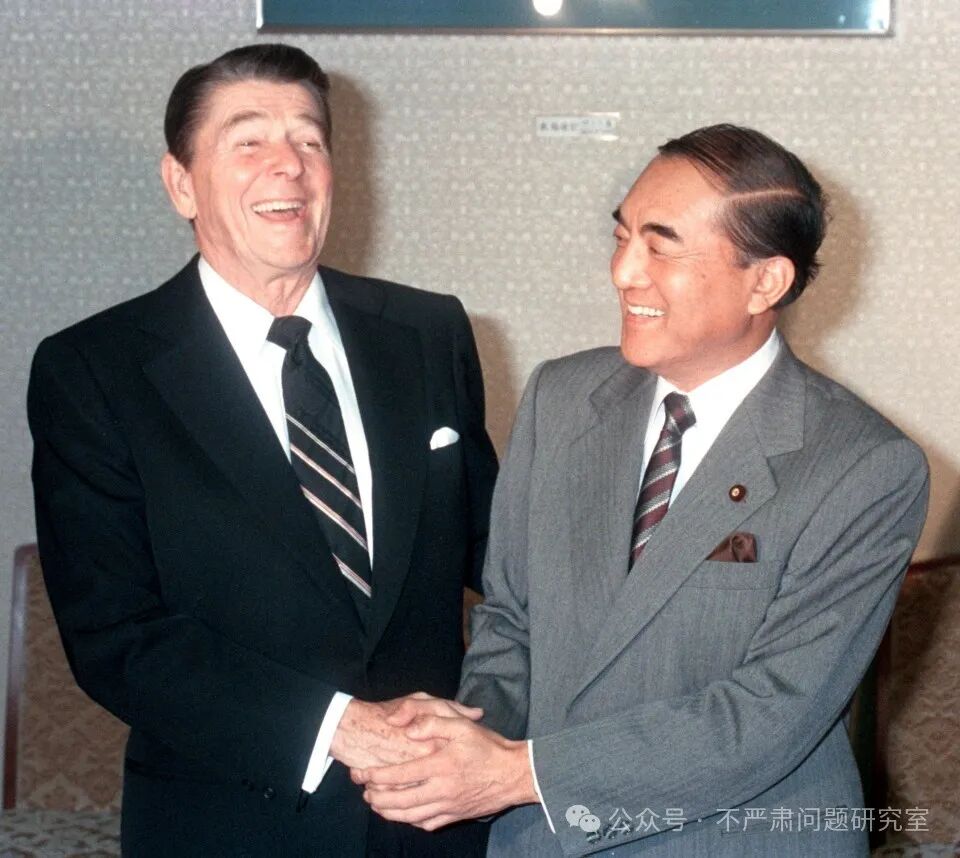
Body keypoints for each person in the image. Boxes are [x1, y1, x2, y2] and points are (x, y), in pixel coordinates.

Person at [353, 124, 930, 857]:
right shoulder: (563, 398)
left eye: (662, 246)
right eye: (621, 236)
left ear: (766, 281)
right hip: (540, 837)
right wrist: (462, 743)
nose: (624, 271)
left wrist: (519, 774)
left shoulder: (863, 466)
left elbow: (768, 715)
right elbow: (511, 622)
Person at [27, 43, 497, 857]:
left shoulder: (428, 332)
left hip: (440, 820)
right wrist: (338, 726)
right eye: (248, 140)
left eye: (309, 140)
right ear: (181, 183)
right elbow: (114, 634)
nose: (289, 164)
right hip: (229, 822)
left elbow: (504, 561)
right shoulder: (96, 370)